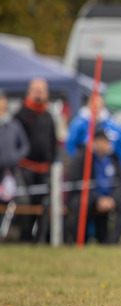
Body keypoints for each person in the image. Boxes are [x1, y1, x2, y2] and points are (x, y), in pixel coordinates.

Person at [65, 129, 121, 245]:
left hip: (109, 197)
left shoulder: (113, 159)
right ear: (95, 141)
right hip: (89, 196)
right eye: (102, 141)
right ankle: (79, 241)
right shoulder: (83, 158)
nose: (105, 144)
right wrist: (97, 199)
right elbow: (76, 184)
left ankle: (111, 242)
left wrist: (112, 198)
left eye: (107, 142)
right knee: (81, 203)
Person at [14, 78, 58, 242]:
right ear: (29, 92)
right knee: (26, 204)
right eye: (36, 89)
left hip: (45, 169)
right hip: (26, 168)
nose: (39, 93)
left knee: (45, 204)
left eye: (42, 90)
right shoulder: (20, 115)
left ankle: (41, 239)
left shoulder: (48, 116)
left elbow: (53, 141)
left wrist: (53, 160)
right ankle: (24, 237)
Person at [65, 92, 117, 158]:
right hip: (84, 158)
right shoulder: (79, 122)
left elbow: (115, 141)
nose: (96, 108)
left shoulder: (109, 122)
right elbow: (70, 143)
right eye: (94, 105)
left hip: (102, 159)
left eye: (99, 106)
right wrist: (77, 159)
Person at [0, 90, 29, 201]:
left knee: (21, 201)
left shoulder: (14, 125)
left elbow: (25, 145)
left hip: (12, 171)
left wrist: (16, 156)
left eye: (3, 108)